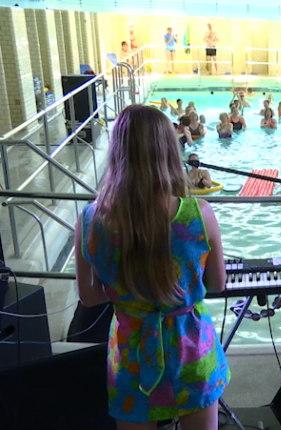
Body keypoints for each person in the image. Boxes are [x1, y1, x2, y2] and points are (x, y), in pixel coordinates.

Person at [74, 105, 229, 430]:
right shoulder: (198, 214)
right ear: (169, 152)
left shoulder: (91, 220)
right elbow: (217, 283)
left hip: (132, 355)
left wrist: (132, 291)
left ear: (118, 153)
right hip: (191, 351)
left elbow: (88, 297)